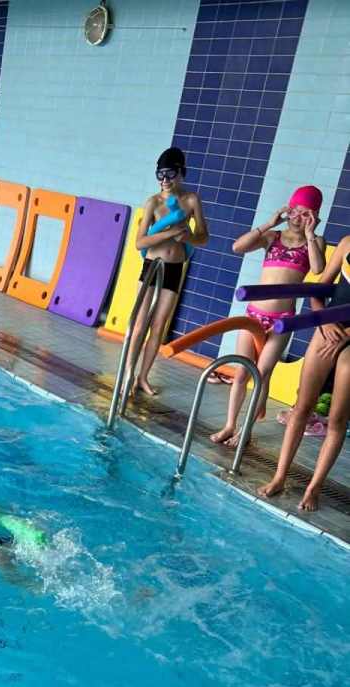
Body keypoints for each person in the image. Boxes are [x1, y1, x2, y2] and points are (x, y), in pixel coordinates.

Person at [210, 186, 325, 447]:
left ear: (314, 217)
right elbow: (237, 247)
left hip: (282, 320)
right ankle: (229, 425)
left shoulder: (316, 242)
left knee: (262, 374)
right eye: (295, 211)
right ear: (288, 210)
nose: (298, 218)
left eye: (306, 214)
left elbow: (318, 269)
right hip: (253, 315)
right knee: (242, 371)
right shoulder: (273, 236)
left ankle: (246, 431)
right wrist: (268, 224)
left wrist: (309, 235)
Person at [259, 235, 350, 512]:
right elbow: (318, 289)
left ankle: (314, 487)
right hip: (329, 328)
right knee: (301, 408)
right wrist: (323, 321)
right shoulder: (347, 243)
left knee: (337, 419)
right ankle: (279, 476)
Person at [129, 147, 209, 397]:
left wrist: (188, 237)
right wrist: (169, 233)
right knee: (140, 324)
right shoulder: (153, 203)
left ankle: (143, 377)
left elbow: (203, 237)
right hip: (152, 266)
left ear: (182, 173)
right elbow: (140, 243)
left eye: (170, 174)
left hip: (175, 267)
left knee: (159, 325)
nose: (164, 180)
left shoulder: (192, 201)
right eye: (160, 175)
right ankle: (128, 374)